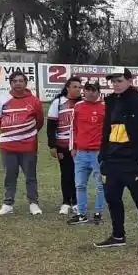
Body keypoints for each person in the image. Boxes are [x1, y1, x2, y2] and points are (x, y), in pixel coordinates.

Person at [95, 68, 138, 252]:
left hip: (132, 161)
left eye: (120, 80)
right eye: (113, 81)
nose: (116, 84)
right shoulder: (111, 101)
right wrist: (103, 155)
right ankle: (118, 235)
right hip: (113, 160)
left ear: (130, 80)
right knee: (112, 198)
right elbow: (107, 130)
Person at [0, 71, 44, 216]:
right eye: (15, 81)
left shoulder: (34, 101)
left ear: (26, 83)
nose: (18, 83)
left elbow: (39, 122)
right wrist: (11, 133)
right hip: (8, 146)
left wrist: (26, 134)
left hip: (28, 146)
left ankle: (33, 203)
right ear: (11, 83)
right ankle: (8, 204)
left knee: (31, 176)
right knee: (9, 176)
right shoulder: (2, 99)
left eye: (21, 81)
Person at [67, 82, 105, 225]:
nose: (90, 93)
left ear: (98, 92)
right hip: (81, 153)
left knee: (100, 184)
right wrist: (72, 147)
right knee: (80, 185)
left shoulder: (104, 107)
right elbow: (73, 128)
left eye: (93, 90)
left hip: (97, 153)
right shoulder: (78, 107)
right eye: (87, 90)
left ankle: (98, 212)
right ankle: (81, 214)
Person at [47, 77, 82, 216]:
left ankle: (77, 202)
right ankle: (66, 202)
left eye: (79, 87)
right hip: (62, 144)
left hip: (79, 145)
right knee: (66, 173)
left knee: (78, 174)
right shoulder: (58, 102)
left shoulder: (83, 103)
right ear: (67, 87)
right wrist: (52, 145)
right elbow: (51, 126)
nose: (78, 89)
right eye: (75, 87)